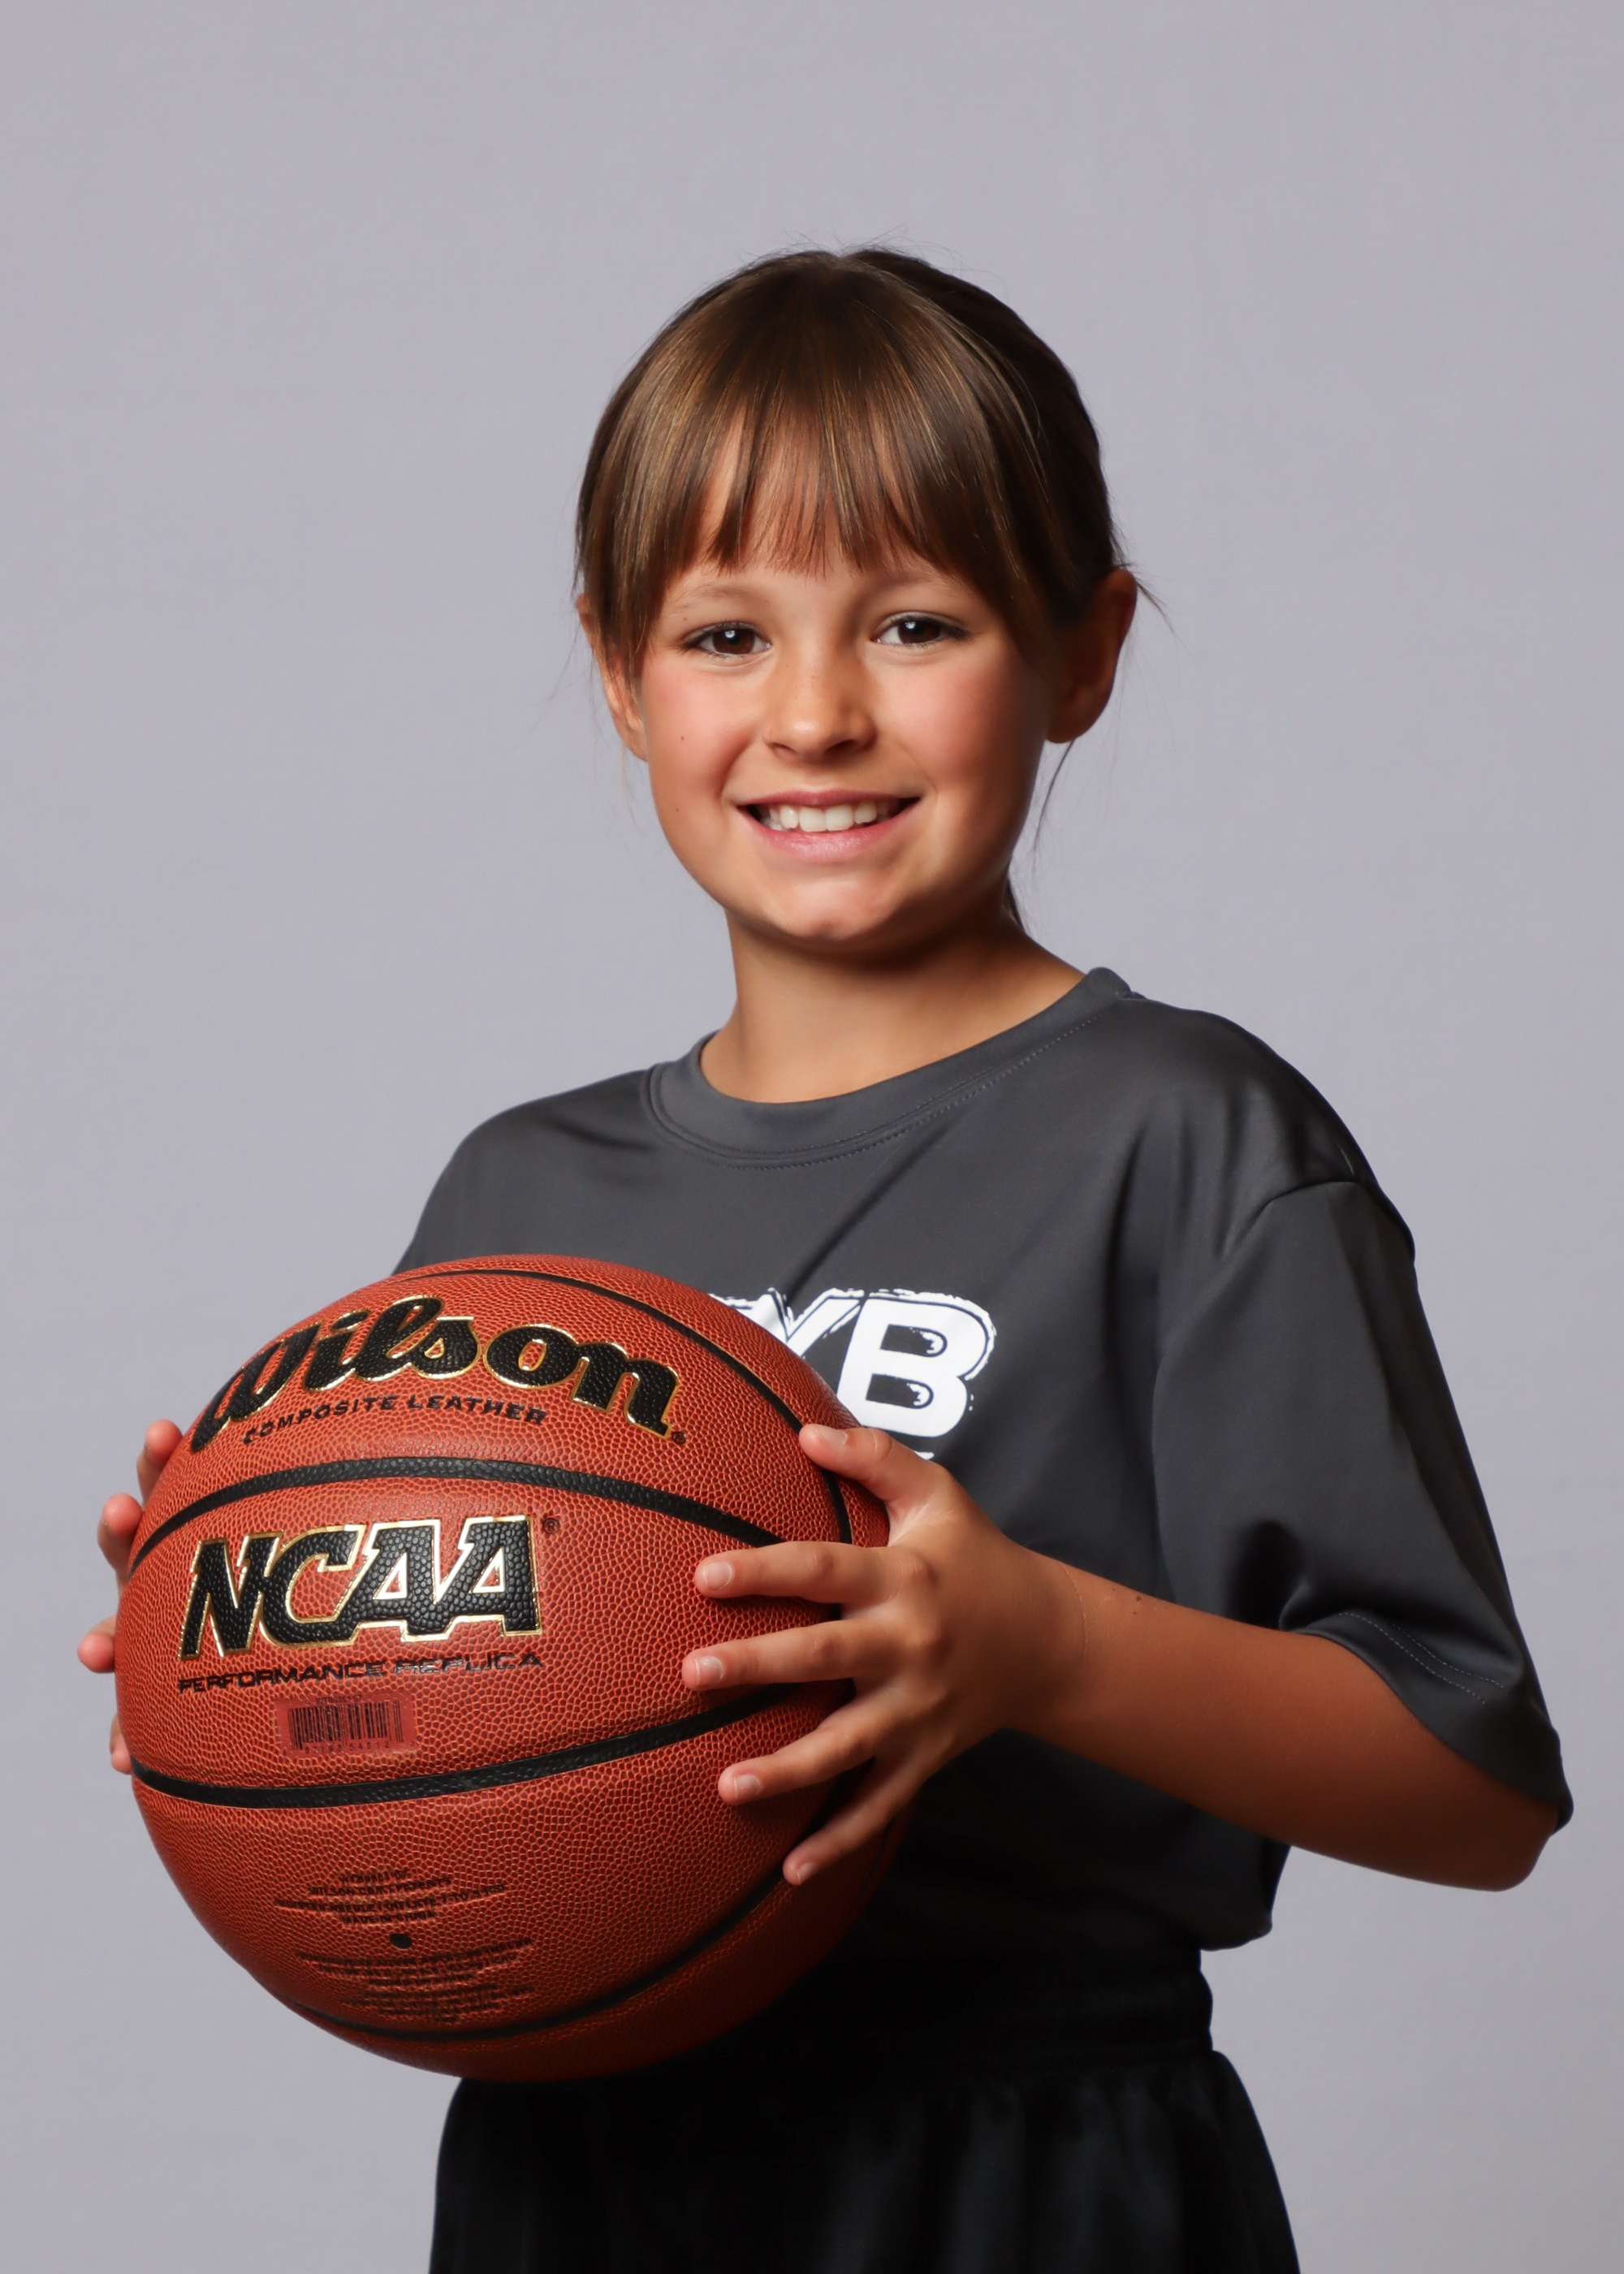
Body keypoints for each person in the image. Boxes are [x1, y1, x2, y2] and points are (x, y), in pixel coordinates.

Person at [81, 249, 1570, 2273]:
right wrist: (243, 1633)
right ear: (620, 674)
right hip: (576, 2172)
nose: (814, 712)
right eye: (724, 631)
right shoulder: (519, 1194)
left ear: (1082, 651)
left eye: (915, 620)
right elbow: (428, 1697)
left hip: (1028, 2166)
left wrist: (1036, 1644)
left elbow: (1472, 1785)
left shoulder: (1186, 1139)